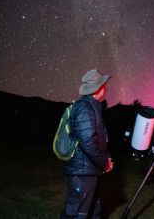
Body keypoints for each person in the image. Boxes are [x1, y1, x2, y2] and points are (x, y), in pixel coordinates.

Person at [60, 69, 114, 219]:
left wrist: (106, 158)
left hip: (89, 169)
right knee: (78, 214)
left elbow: (98, 139)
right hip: (82, 172)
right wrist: (104, 164)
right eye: (104, 85)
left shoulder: (92, 107)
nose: (106, 88)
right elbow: (88, 143)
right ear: (99, 88)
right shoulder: (85, 108)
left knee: (92, 212)